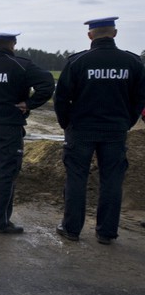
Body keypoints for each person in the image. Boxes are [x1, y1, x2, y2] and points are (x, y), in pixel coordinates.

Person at [54, 17, 145, 244]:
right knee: (112, 181)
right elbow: (139, 98)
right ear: (114, 33)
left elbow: (62, 98)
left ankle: (71, 228)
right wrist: (127, 122)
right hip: (115, 130)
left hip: (82, 129)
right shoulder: (132, 62)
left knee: (76, 178)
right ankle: (106, 232)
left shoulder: (78, 62)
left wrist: (67, 124)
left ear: (90, 36)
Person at [0, 31, 55, 233]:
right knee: (5, 175)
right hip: (9, 128)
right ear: (13, 44)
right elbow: (47, 83)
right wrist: (30, 103)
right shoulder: (21, 65)